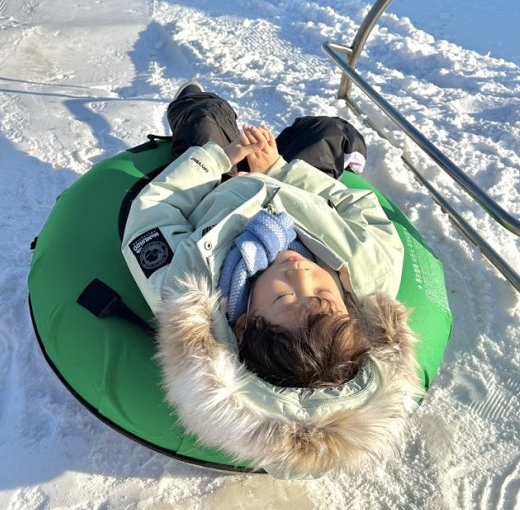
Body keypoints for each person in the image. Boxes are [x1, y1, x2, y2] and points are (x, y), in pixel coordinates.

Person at [121, 82, 420, 479]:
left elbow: (152, 213)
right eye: (322, 296)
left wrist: (216, 160)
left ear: (243, 323)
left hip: (218, 187)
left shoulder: (188, 284)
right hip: (298, 189)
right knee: (329, 130)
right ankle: (335, 154)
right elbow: (360, 204)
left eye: (282, 296)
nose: (301, 275)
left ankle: (192, 102)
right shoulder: (371, 267)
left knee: (206, 117)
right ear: (348, 310)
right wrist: (278, 169)